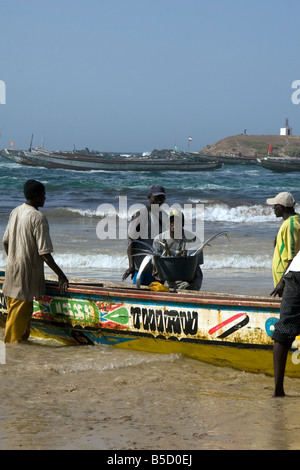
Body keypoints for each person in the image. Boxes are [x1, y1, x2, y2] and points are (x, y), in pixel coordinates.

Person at [2, 179, 69, 343]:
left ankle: (21, 353)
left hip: (11, 270)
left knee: (21, 318)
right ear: (36, 196)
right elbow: (45, 253)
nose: (45, 197)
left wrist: (14, 257)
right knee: (15, 326)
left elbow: (5, 241)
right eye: (43, 194)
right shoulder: (38, 218)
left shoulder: (16, 211)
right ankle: (8, 357)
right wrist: (61, 275)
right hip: (24, 277)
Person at [122, 185, 168, 286]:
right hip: (142, 269)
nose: (159, 201)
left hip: (158, 271)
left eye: (162, 198)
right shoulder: (140, 216)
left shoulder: (164, 216)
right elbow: (131, 243)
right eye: (156, 198)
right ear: (149, 197)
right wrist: (131, 266)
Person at [153, 208, 203, 291]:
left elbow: (196, 264)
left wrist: (191, 278)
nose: (174, 223)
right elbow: (155, 261)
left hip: (190, 280)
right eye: (171, 221)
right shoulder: (159, 239)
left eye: (177, 221)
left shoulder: (193, 239)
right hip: (170, 279)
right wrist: (156, 272)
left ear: (183, 223)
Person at [272, 251, 300, 396]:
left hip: (295, 273)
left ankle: (278, 390)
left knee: (283, 331)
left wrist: (282, 280)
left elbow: (295, 255)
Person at [266, 192, 300, 297]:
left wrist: (282, 282)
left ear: (281, 207)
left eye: (275, 206)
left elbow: (293, 258)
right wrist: (278, 236)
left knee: (287, 311)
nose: (273, 209)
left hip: (288, 279)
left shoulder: (290, 225)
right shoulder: (294, 219)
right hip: (287, 278)